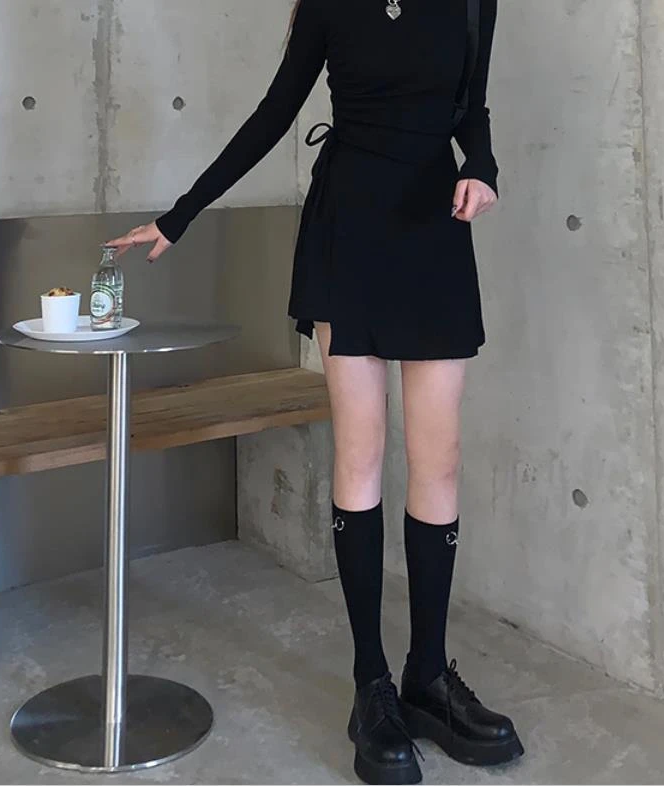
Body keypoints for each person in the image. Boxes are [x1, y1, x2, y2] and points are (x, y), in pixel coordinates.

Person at [108, 0, 523, 782]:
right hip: (348, 229)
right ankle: (372, 686)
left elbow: (473, 107)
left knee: (438, 462)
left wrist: (483, 167)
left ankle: (428, 678)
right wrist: (179, 217)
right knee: (360, 457)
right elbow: (276, 111)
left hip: (432, 229)